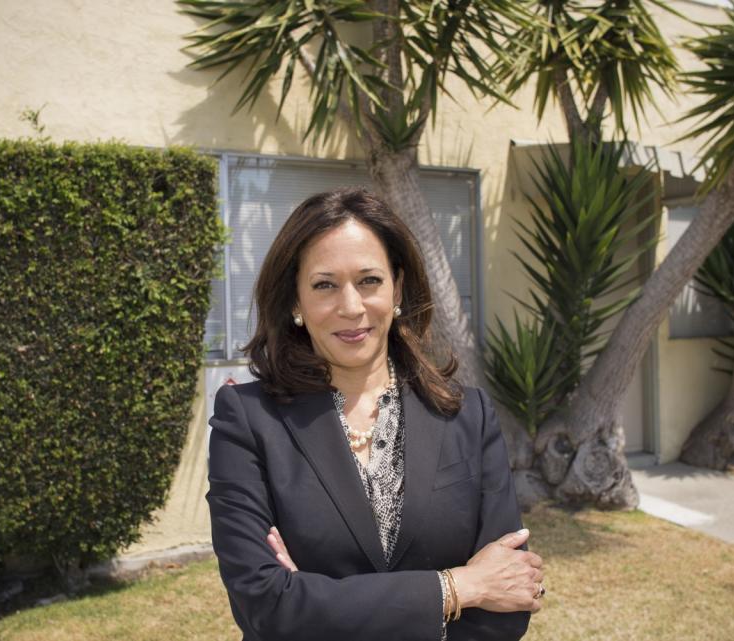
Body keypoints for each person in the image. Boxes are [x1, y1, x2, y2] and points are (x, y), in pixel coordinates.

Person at [206, 186, 544, 641]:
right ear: (294, 302)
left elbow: (510, 601)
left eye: (369, 281)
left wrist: (316, 601)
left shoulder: (468, 416)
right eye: (324, 285)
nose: (351, 307)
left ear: (397, 288)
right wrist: (456, 587)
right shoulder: (248, 421)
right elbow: (266, 605)